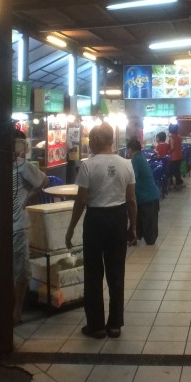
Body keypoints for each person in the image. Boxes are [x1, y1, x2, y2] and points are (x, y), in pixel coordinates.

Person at [65, 124, 137, 339]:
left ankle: (95, 326)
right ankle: (114, 325)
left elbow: (81, 200)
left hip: (95, 220)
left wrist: (71, 228)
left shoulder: (88, 166)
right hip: (117, 219)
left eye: (89, 138)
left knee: (93, 273)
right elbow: (131, 200)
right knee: (116, 273)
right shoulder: (127, 164)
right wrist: (132, 227)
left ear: (96, 139)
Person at [0, 129, 48, 325]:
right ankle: (3, 310)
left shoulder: (24, 167)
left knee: (20, 271)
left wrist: (27, 198)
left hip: (18, 227)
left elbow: (43, 180)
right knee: (1, 271)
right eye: (18, 144)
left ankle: (16, 312)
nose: (20, 149)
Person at [127, 138, 160, 245]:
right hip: (150, 196)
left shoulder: (136, 160)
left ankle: (135, 237)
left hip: (147, 197)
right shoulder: (141, 157)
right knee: (141, 220)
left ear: (130, 150)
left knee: (149, 231)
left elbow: (132, 179)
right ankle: (134, 237)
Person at [167, 123, 184, 189]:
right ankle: (179, 183)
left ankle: (178, 184)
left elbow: (172, 147)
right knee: (177, 170)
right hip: (179, 155)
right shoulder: (179, 137)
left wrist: (168, 151)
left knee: (174, 171)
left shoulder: (172, 137)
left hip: (174, 157)